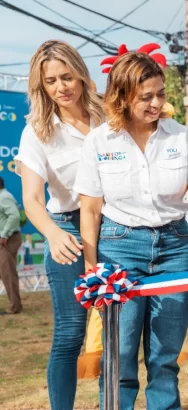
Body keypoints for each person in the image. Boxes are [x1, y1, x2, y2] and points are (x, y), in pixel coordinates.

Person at [74, 52, 188, 410]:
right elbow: (90, 208)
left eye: (160, 94)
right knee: (119, 355)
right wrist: (92, 264)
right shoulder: (99, 142)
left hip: (175, 248)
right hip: (118, 250)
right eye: (146, 97)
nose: (157, 103)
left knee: (164, 357)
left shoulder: (181, 137)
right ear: (122, 97)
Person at [14, 39, 104, 409]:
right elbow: (33, 200)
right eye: (50, 81)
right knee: (70, 335)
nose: (60, 87)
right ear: (41, 86)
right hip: (67, 231)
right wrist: (53, 234)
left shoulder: (110, 117)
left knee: (120, 336)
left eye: (66, 77)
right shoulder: (36, 131)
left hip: (118, 228)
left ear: (81, 75)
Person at [0, 176, 22, 315]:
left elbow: (14, 216)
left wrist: (4, 234)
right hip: (6, 239)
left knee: (8, 273)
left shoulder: (4, 197)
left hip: (7, 240)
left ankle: (15, 307)